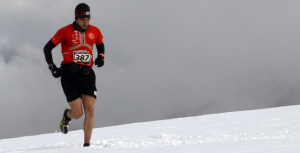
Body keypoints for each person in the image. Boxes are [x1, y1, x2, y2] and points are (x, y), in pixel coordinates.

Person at [43, 3, 105, 147]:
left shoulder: (95, 31)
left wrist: (101, 56)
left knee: (90, 110)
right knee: (78, 114)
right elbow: (47, 48)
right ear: (76, 17)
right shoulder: (64, 31)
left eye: (88, 19)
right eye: (83, 19)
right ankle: (67, 115)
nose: (86, 22)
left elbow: (100, 44)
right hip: (69, 76)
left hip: (87, 75)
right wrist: (52, 66)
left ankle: (87, 146)